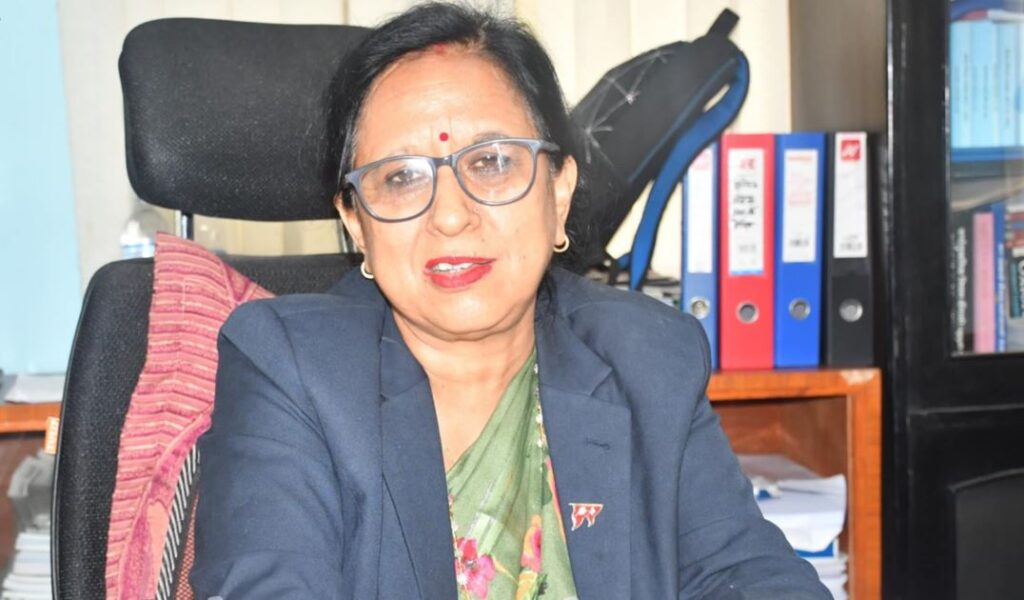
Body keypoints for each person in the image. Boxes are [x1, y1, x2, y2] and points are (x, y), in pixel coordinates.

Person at [190, 3, 829, 599]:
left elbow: (745, 575)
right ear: (357, 223)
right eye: (401, 177)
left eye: (491, 162)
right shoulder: (289, 369)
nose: (450, 216)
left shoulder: (648, 358)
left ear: (559, 193)